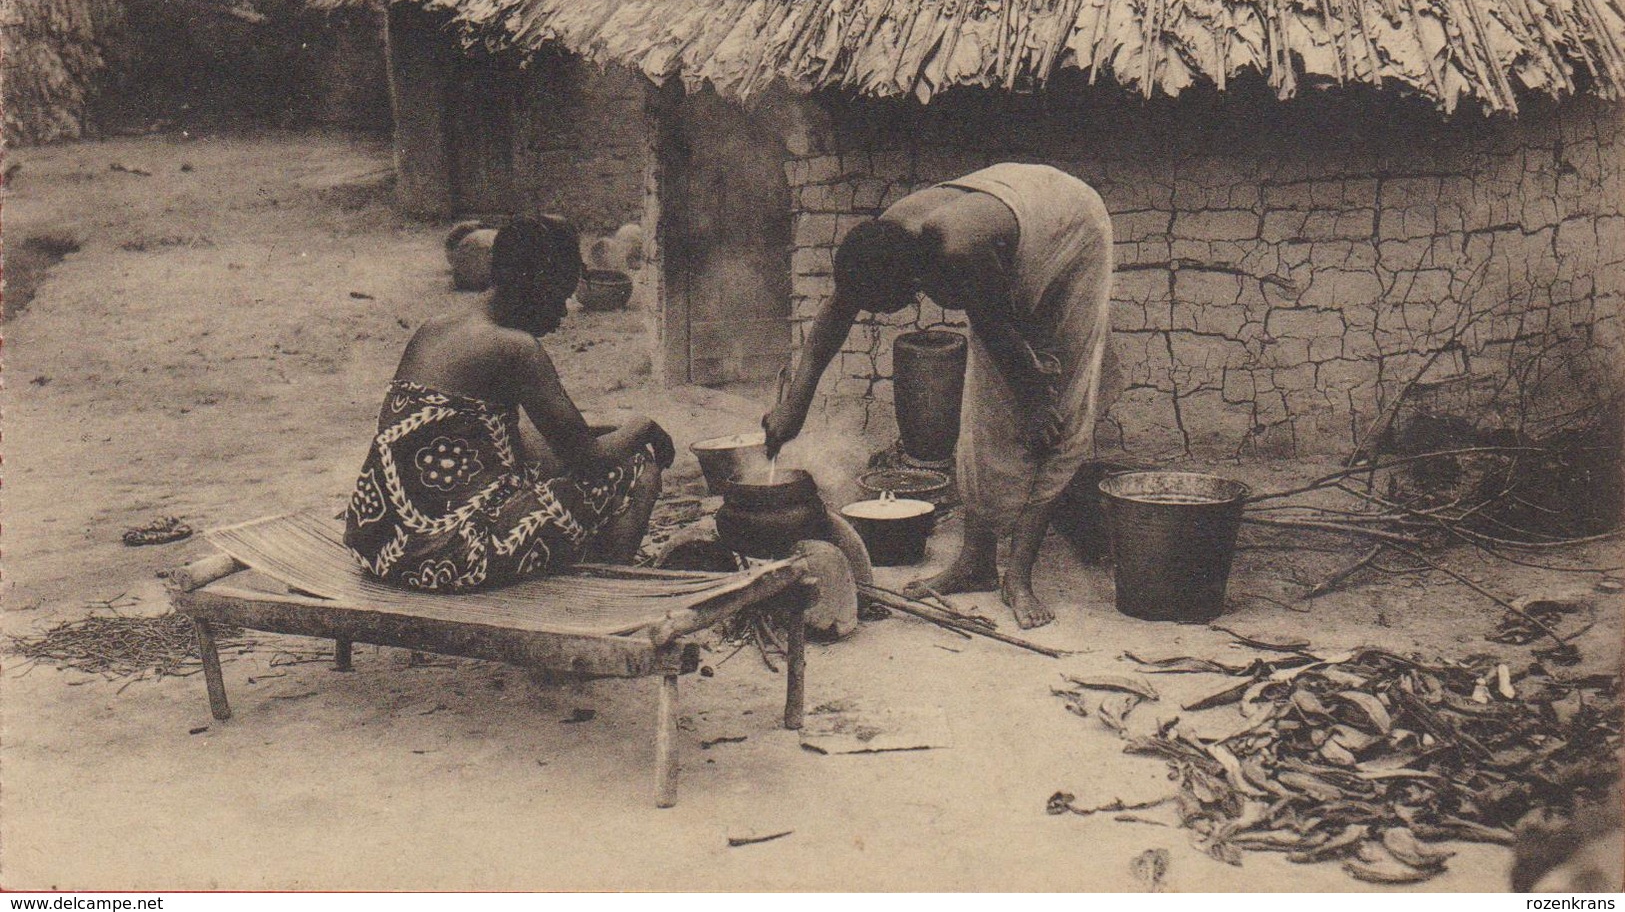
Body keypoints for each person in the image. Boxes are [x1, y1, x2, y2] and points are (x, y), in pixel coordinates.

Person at [763, 164, 1116, 629]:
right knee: (984, 404)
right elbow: (836, 313)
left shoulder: (958, 250)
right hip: (1009, 217)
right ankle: (976, 562)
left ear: (914, 287)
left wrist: (1035, 398)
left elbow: (998, 330)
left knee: (1055, 409)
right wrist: (795, 406)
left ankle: (1019, 577)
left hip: (1068, 229)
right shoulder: (886, 240)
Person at [345, 215, 675, 592]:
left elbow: (506, 433)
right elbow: (590, 460)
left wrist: (599, 435)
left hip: (379, 540)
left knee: (542, 445)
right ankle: (602, 598)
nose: (563, 314)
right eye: (559, 297)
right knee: (635, 466)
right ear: (534, 286)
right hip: (443, 557)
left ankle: (575, 566)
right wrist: (643, 426)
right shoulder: (516, 349)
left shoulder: (435, 326)